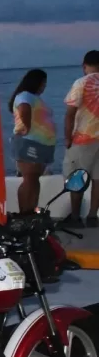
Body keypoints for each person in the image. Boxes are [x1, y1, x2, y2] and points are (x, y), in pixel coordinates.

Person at [9, 69, 55, 215]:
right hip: (29, 143)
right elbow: (24, 109)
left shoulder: (35, 98)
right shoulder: (24, 96)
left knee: (34, 179)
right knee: (29, 179)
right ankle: (24, 213)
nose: (44, 86)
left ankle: (31, 211)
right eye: (43, 83)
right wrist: (26, 126)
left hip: (41, 145)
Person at [64, 50, 99, 225]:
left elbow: (70, 113)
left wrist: (67, 138)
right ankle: (93, 216)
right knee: (98, 179)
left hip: (83, 139)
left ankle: (76, 217)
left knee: (77, 177)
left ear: (84, 66)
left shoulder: (81, 83)